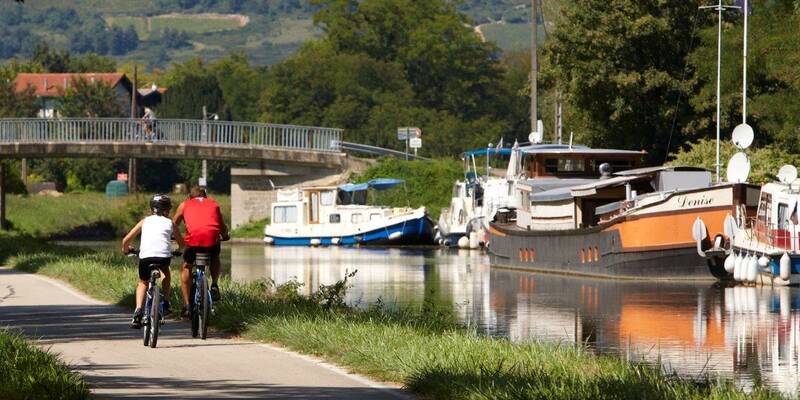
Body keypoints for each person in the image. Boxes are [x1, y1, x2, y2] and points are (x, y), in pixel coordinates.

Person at [121, 194, 184, 329]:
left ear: (152, 209)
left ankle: (138, 310)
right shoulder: (170, 223)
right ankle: (166, 302)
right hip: (163, 258)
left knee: (143, 282)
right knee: (165, 272)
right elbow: (182, 244)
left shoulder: (145, 221)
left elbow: (126, 240)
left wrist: (126, 249)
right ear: (167, 210)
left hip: (146, 257)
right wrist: (179, 250)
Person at [173, 186, 229, 318]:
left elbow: (173, 224)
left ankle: (187, 306)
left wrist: (173, 236)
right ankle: (214, 284)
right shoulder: (214, 204)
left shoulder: (184, 205)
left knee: (186, 266)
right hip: (211, 242)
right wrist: (225, 235)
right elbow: (221, 225)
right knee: (215, 256)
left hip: (193, 243)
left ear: (190, 197)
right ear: (206, 196)